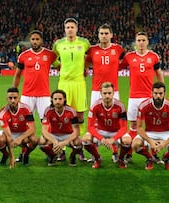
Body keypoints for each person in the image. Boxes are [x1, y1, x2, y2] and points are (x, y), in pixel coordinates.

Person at [12, 30, 58, 162]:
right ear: (30, 40)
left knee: (48, 125)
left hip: (44, 95)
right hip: (27, 95)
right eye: (33, 39)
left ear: (41, 40)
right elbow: (17, 74)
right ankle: (23, 153)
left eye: (37, 39)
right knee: (24, 125)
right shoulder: (23, 56)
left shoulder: (50, 55)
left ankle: (50, 153)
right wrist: (14, 91)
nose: (35, 41)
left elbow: (60, 65)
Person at [121, 31, 164, 163]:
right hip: (134, 96)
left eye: (143, 40)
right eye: (138, 40)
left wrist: (162, 90)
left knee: (150, 126)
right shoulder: (129, 57)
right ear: (135, 42)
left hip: (148, 96)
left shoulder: (153, 56)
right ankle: (129, 153)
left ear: (147, 42)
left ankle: (154, 154)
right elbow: (118, 67)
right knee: (133, 125)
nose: (140, 43)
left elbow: (159, 73)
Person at [85, 23, 125, 162]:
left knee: (115, 120)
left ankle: (115, 151)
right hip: (96, 90)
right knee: (95, 120)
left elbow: (125, 62)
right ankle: (94, 154)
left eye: (106, 33)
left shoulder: (118, 49)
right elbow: (86, 62)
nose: (104, 36)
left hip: (114, 90)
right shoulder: (92, 50)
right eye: (101, 33)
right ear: (98, 35)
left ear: (111, 35)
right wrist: (85, 70)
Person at [52, 18, 90, 161]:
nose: (70, 29)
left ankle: (79, 148)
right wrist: (58, 66)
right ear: (64, 28)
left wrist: (85, 68)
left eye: (72, 27)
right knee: (63, 116)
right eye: (67, 27)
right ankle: (61, 150)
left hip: (79, 83)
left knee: (79, 116)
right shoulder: (59, 44)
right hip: (64, 84)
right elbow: (52, 58)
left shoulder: (84, 43)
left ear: (77, 28)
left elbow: (90, 57)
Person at [132, 82, 169, 170]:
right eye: (155, 93)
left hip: (167, 132)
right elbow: (139, 127)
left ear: (165, 93)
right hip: (150, 132)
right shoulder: (143, 106)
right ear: (152, 93)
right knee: (135, 145)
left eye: (160, 93)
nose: (158, 96)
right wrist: (150, 141)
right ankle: (150, 158)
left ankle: (166, 157)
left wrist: (166, 142)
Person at [82, 82, 131, 169]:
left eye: (109, 93)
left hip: (116, 132)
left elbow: (123, 128)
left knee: (127, 140)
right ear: (101, 93)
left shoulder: (120, 106)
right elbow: (90, 127)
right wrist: (102, 139)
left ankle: (120, 159)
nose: (107, 96)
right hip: (101, 132)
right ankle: (97, 158)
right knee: (85, 140)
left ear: (113, 93)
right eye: (104, 93)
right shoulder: (95, 106)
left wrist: (113, 139)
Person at [0, 87, 38, 168]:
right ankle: (5, 154)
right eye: (10, 98)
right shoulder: (3, 112)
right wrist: (12, 156)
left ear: (18, 98)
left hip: (22, 132)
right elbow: (8, 136)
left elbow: (32, 128)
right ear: (7, 99)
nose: (13, 100)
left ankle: (25, 155)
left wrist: (20, 138)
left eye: (15, 98)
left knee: (34, 140)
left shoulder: (26, 108)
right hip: (9, 132)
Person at [38, 89, 82, 166]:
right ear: (51, 99)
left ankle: (72, 156)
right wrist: (54, 141)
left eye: (60, 99)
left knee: (79, 142)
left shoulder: (71, 111)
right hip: (53, 135)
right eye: (55, 99)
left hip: (67, 135)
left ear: (64, 99)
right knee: (41, 142)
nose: (57, 101)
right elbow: (44, 130)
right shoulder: (48, 110)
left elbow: (77, 131)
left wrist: (65, 142)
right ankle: (52, 155)